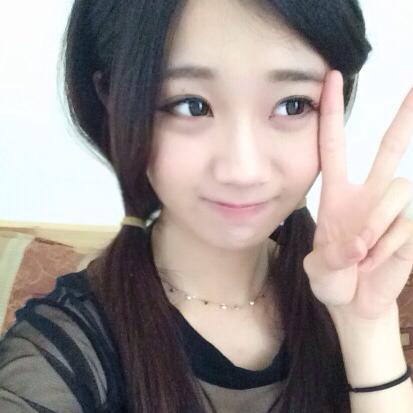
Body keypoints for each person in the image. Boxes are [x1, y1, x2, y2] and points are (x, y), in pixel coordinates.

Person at [1, 0, 413, 412]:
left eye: (293, 105)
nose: (244, 170)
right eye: (191, 105)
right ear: (114, 101)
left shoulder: (343, 293)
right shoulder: (62, 355)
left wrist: (366, 329)